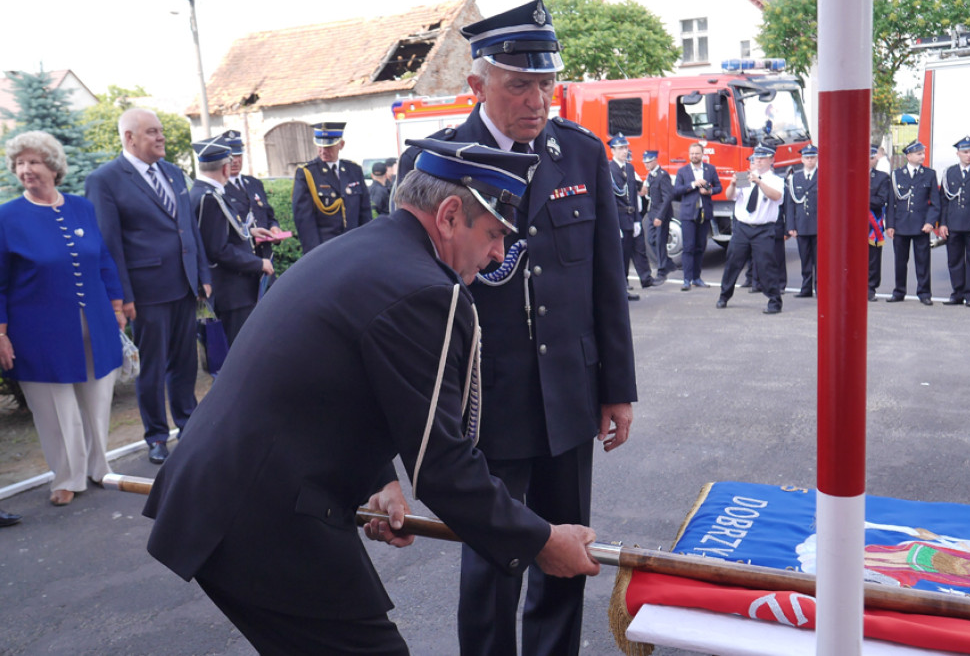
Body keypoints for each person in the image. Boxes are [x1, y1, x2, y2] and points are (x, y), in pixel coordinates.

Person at [143, 139, 601, 655]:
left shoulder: (368, 250)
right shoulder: (427, 290)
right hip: (263, 517)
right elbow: (443, 467)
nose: (499, 253)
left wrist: (380, 479)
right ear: (450, 215)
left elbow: (343, 381)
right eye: (494, 233)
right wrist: (541, 542)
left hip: (230, 498)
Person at [396, 0, 636, 656]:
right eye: (519, 85)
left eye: (545, 84)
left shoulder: (579, 153)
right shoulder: (435, 160)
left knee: (567, 554)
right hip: (488, 398)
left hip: (569, 392)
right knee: (493, 563)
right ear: (477, 84)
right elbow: (413, 292)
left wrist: (617, 388)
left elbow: (604, 280)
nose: (537, 100)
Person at [1, 131, 125, 505]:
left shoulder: (81, 207)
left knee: (97, 398)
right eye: (19, 163)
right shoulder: (6, 217)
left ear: (53, 167)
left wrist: (117, 306)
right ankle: (67, 477)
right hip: (38, 331)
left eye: (33, 162)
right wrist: (1, 333)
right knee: (55, 407)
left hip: (95, 322)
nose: (26, 169)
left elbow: (102, 258)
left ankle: (99, 466)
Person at [85, 109, 211, 465]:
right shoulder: (105, 179)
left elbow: (189, 228)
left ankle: (188, 425)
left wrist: (202, 273)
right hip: (145, 293)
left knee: (185, 363)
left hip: (184, 285)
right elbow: (109, 243)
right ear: (130, 138)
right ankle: (156, 435)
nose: (161, 137)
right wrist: (121, 296)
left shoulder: (172, 172)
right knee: (152, 368)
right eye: (152, 132)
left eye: (161, 131)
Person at [191, 137, 274, 347]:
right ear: (225, 168)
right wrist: (259, 263)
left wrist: (249, 232)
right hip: (231, 292)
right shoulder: (210, 198)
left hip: (231, 291)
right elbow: (218, 249)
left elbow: (217, 234)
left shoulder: (204, 192)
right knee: (240, 349)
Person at [716, 145, 785, 314]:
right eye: (756, 158)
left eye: (762, 158)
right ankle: (724, 296)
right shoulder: (744, 176)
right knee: (733, 262)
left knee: (766, 265)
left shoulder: (775, 180)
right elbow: (730, 196)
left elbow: (776, 196)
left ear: (771, 160)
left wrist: (759, 182)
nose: (758, 161)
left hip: (763, 229)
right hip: (742, 227)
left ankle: (774, 301)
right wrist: (733, 184)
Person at [291, 122, 372, 254]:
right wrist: (314, 253)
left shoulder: (353, 170)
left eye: (329, 146)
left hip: (355, 246)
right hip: (325, 249)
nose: (323, 151)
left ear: (341, 144)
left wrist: (366, 243)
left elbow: (365, 212)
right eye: (320, 146)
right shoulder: (307, 173)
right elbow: (304, 220)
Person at [886, 140, 939, 306]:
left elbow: (935, 203)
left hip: (921, 225)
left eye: (923, 153)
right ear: (908, 156)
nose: (922, 156)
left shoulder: (929, 174)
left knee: (923, 261)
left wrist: (930, 222)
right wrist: (890, 225)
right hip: (901, 225)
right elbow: (891, 202)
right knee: (900, 262)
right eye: (918, 154)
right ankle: (899, 291)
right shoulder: (896, 175)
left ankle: (924, 293)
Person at [937, 136, 970, 307]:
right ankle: (957, 293)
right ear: (958, 153)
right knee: (954, 260)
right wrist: (943, 223)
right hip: (953, 223)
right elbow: (944, 200)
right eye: (965, 152)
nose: (969, 155)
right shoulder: (949, 172)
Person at [221, 130, 283, 265]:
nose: (235, 161)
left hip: (265, 256)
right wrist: (250, 234)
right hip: (242, 260)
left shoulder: (254, 183)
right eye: (231, 156)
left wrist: (274, 228)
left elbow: (269, 216)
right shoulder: (219, 189)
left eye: (238, 155)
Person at [608, 133, 654, 298]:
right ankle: (620, 290)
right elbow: (610, 199)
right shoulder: (609, 169)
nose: (624, 151)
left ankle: (625, 287)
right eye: (620, 148)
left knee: (628, 254)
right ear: (613, 151)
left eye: (626, 148)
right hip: (619, 217)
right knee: (619, 256)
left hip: (630, 216)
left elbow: (633, 195)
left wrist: (636, 220)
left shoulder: (629, 168)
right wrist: (614, 224)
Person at [673, 142, 722, 290]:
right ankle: (686, 280)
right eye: (692, 153)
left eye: (697, 153)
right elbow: (676, 191)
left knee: (700, 247)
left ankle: (697, 278)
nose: (694, 156)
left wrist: (710, 191)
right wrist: (693, 184)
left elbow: (719, 187)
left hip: (704, 213)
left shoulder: (710, 169)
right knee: (688, 247)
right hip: (688, 214)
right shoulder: (683, 171)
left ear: (702, 154)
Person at [785, 144, 819, 298]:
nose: (810, 160)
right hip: (802, 224)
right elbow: (790, 204)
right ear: (802, 160)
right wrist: (790, 226)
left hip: (818, 225)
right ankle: (806, 288)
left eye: (812, 157)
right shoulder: (795, 178)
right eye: (807, 157)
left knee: (819, 260)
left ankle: (819, 288)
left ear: (816, 159)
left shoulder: (823, 175)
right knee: (805, 258)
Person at [643, 150, 675, 283]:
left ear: (655, 160)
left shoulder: (662, 175)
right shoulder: (650, 176)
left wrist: (660, 217)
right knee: (651, 239)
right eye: (645, 162)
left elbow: (667, 197)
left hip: (661, 214)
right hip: (652, 212)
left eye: (649, 162)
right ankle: (668, 263)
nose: (646, 164)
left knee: (661, 241)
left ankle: (662, 270)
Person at [868, 145, 891, 302]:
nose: (870, 161)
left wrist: (860, 197)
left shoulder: (882, 177)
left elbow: (881, 200)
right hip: (853, 225)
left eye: (872, 157)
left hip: (873, 225)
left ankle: (870, 288)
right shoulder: (850, 174)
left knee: (873, 258)